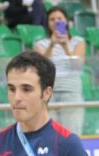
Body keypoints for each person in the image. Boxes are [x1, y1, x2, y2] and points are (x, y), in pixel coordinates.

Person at [34, 6, 86, 135]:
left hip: (71, 93)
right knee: (50, 136)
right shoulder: (40, 44)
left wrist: (65, 46)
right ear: (47, 23)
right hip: (48, 95)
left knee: (72, 135)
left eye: (60, 19)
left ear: (66, 21)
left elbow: (78, 65)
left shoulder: (78, 42)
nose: (56, 22)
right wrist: (52, 44)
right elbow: (41, 67)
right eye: (52, 19)